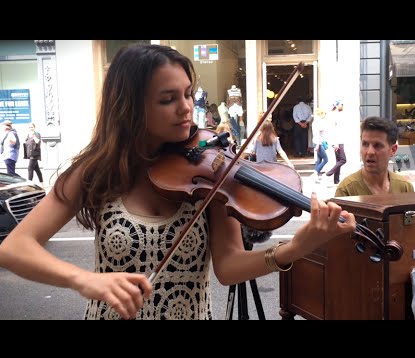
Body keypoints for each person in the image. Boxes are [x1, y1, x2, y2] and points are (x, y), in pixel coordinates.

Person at [0, 44, 356, 320]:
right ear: (130, 107)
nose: (186, 108)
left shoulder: (210, 173)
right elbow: (14, 248)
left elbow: (229, 266)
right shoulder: (96, 171)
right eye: (168, 99)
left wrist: (293, 249)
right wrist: (85, 280)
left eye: (187, 94)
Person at [335, 116, 414, 197]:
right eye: (365, 144)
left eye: (377, 145)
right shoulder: (346, 190)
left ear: (393, 150)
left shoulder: (405, 188)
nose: (370, 152)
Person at [325, 100, 347, 185]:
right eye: (342, 104)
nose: (343, 106)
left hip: (339, 141)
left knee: (338, 160)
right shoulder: (334, 116)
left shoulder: (336, 115)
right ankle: (330, 172)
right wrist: (335, 142)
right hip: (338, 141)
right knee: (343, 160)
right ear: (337, 105)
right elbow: (333, 130)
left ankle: (336, 181)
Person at [311, 108, 329, 183]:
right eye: (324, 114)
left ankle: (316, 176)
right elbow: (318, 134)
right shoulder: (319, 122)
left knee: (319, 160)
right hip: (319, 143)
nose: (325, 116)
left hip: (317, 142)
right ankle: (316, 172)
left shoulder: (315, 122)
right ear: (321, 114)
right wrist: (318, 145)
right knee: (325, 159)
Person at [24, 123, 44, 187]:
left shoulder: (36, 134)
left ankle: (29, 184)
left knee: (30, 168)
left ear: (34, 127)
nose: (31, 128)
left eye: (32, 127)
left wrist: (33, 136)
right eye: (29, 127)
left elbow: (37, 141)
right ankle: (42, 182)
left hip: (34, 154)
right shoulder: (28, 135)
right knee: (36, 169)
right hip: (30, 154)